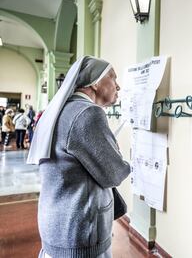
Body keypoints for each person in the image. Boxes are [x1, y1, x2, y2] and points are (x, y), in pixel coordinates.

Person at [27, 56, 131, 258]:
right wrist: (126, 161)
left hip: (57, 223)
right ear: (95, 81)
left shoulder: (61, 109)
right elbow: (114, 173)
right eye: (113, 78)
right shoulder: (87, 113)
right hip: (80, 231)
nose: (118, 86)